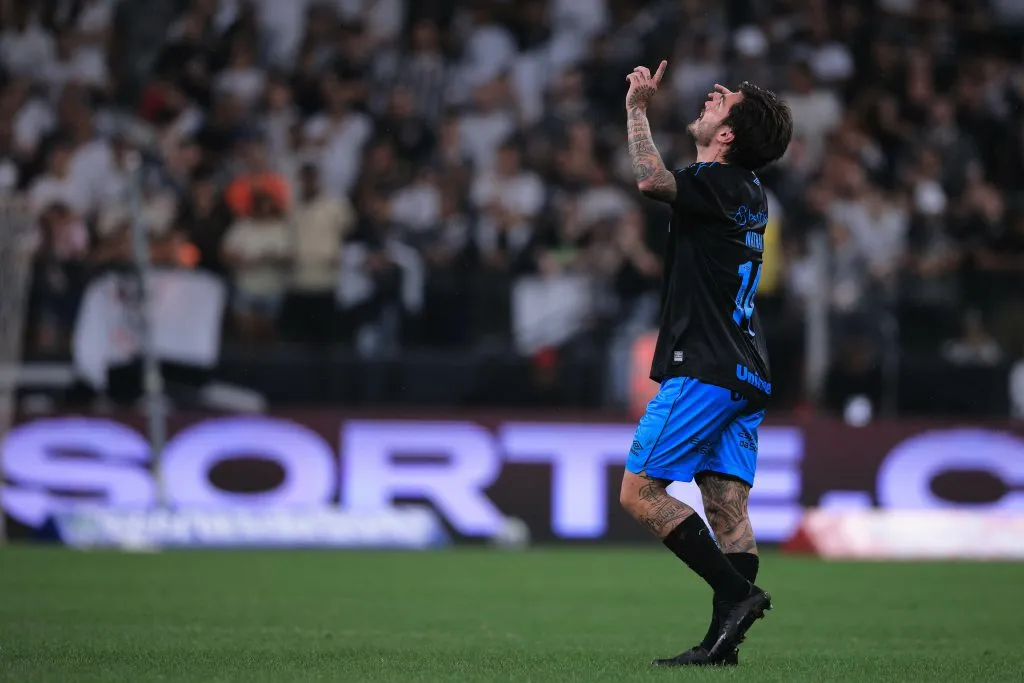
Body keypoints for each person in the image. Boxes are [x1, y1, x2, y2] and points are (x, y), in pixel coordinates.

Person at [617, 60, 793, 667]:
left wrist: (636, 109)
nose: (714, 94)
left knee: (640, 492)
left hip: (706, 366)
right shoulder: (749, 192)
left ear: (728, 135)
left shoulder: (719, 180)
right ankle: (723, 647)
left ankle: (737, 595)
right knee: (725, 506)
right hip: (747, 369)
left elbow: (651, 181)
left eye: (726, 100)